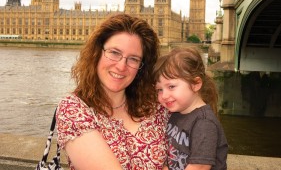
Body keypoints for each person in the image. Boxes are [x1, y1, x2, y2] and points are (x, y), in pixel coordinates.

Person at [56, 13, 169, 170]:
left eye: (133, 59)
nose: (121, 66)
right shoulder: (74, 109)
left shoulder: (156, 102)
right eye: (114, 53)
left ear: (142, 66)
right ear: (97, 52)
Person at [153, 47, 228, 170]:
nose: (164, 96)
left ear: (195, 84)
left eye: (171, 86)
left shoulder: (204, 123)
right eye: (159, 89)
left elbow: (200, 166)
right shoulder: (176, 113)